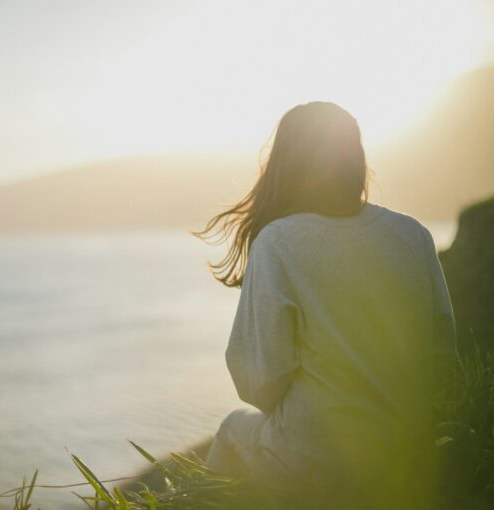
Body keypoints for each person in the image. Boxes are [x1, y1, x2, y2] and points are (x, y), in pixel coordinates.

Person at [192, 102, 457, 508]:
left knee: (231, 431)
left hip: (320, 460)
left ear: (285, 164)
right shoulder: (413, 234)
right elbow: (442, 357)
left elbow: (259, 382)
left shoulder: (279, 242)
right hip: (407, 451)